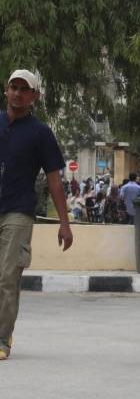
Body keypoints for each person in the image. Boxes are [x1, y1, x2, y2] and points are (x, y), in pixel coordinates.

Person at [0, 70, 74, 361]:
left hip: (18, 212)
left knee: (7, 276)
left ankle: (2, 338)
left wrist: (64, 224)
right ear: (6, 90)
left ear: (34, 96)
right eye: (13, 87)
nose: (17, 93)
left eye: (24, 89)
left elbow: (54, 180)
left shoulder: (40, 133)